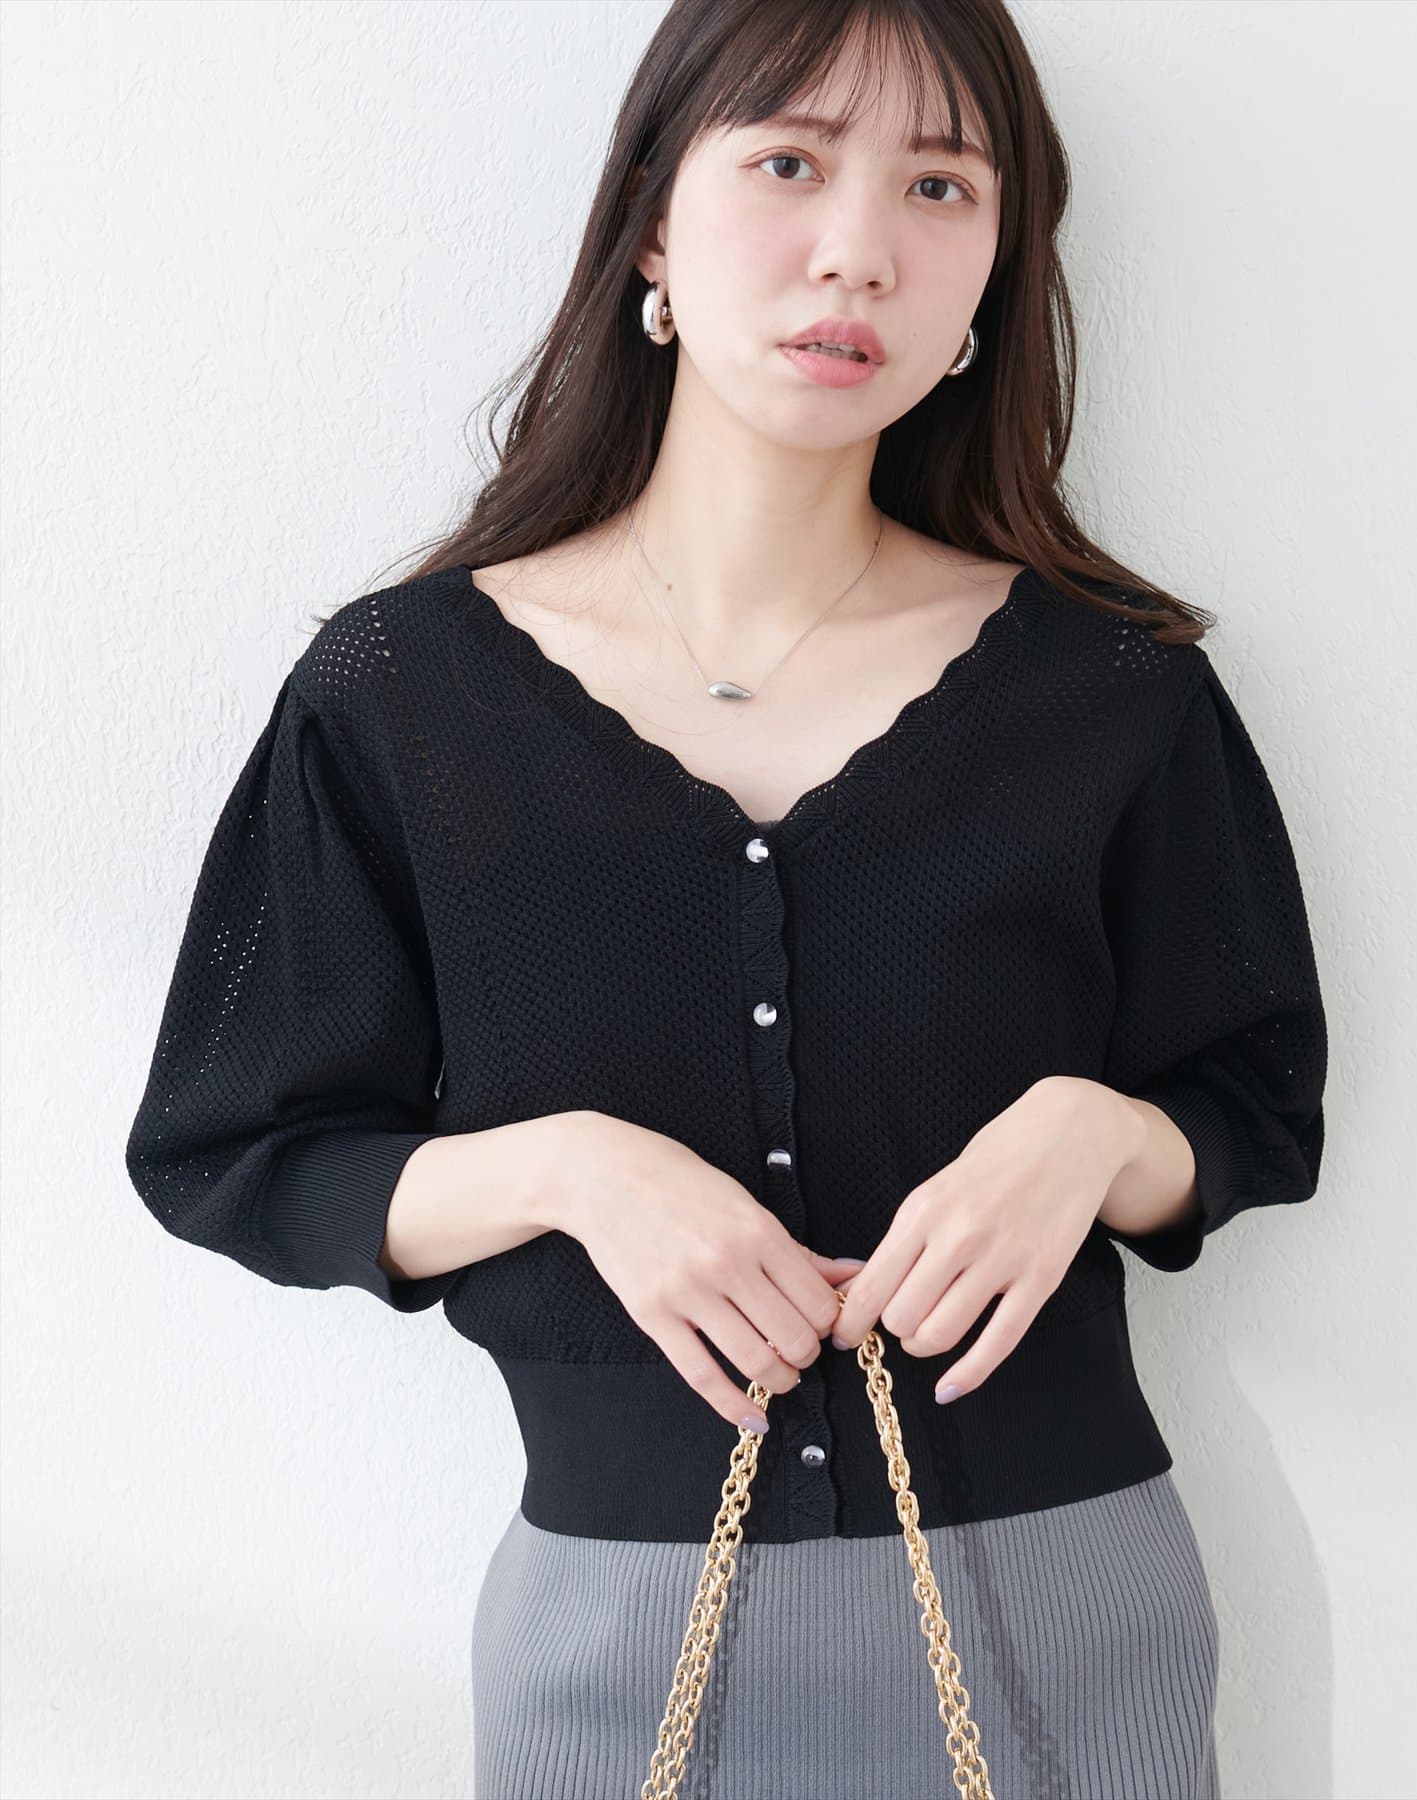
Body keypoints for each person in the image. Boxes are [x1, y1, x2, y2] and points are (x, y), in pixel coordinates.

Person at [124, 3, 1329, 1796]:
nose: (858, 248)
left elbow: (1255, 1106)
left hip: (1069, 1619)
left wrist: (1094, 1135)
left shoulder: (1113, 691)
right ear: (651, 231)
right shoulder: (398, 698)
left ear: (993, 277)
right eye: (787, 161)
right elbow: (238, 1148)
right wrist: (571, 1172)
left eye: (940, 185)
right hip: (615, 1637)